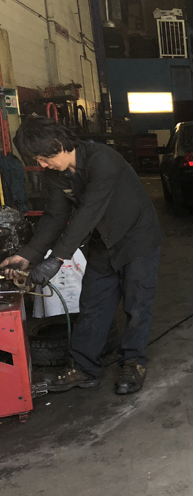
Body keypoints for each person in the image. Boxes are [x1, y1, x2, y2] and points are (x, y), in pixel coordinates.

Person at [1, 116, 162, 395]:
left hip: (137, 241)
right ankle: (84, 368)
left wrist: (57, 259)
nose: (41, 165)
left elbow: (89, 213)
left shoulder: (103, 160)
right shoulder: (56, 174)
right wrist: (28, 255)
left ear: (59, 144)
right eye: (37, 159)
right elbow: (55, 216)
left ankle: (133, 363)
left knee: (137, 306)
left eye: (43, 157)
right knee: (92, 305)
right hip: (103, 244)